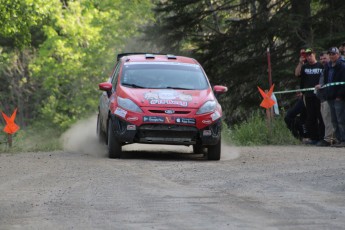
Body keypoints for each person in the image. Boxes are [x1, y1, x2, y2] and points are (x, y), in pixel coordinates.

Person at [297, 48, 325, 145]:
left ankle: (323, 138)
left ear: (314, 54)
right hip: (308, 95)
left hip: (319, 95)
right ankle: (314, 138)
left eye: (310, 55)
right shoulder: (304, 67)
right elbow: (297, 74)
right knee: (311, 116)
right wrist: (300, 63)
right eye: (307, 55)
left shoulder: (321, 66)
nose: (309, 57)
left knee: (320, 116)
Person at [322, 47, 345, 147]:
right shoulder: (328, 66)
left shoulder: (342, 66)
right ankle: (339, 140)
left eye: (333, 54)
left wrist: (339, 96)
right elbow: (326, 82)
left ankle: (344, 140)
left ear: (338, 55)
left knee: (341, 120)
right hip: (330, 96)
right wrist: (326, 94)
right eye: (330, 54)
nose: (331, 56)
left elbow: (343, 83)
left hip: (339, 97)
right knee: (334, 120)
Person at [315, 51, 336, 146]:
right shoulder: (325, 68)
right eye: (321, 59)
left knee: (328, 119)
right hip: (322, 98)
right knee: (325, 119)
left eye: (325, 58)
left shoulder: (331, 68)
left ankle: (328, 139)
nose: (323, 60)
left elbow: (331, 81)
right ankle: (332, 138)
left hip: (329, 98)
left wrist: (322, 85)